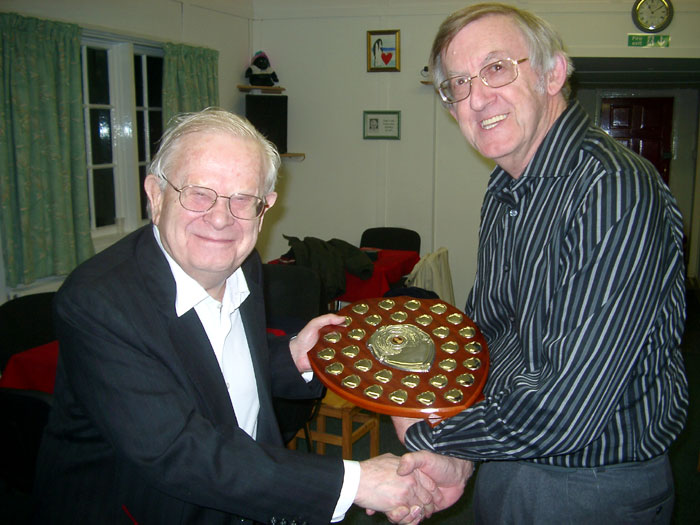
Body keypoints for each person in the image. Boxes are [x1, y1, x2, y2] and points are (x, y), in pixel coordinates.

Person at [32, 108, 462, 525]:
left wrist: (293, 356)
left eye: (243, 199)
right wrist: (356, 482)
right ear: (156, 195)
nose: (221, 218)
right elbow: (179, 453)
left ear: (265, 207)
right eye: (198, 193)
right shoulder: (99, 302)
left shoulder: (242, 263)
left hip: (248, 500)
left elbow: (218, 367)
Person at [392, 3, 689, 523]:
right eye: (458, 83)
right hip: (512, 457)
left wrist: (431, 430)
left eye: (497, 68)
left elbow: (567, 407)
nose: (476, 98)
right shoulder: (505, 187)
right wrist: (464, 454)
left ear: (553, 74)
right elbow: (491, 336)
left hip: (590, 486)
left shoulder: (612, 187)